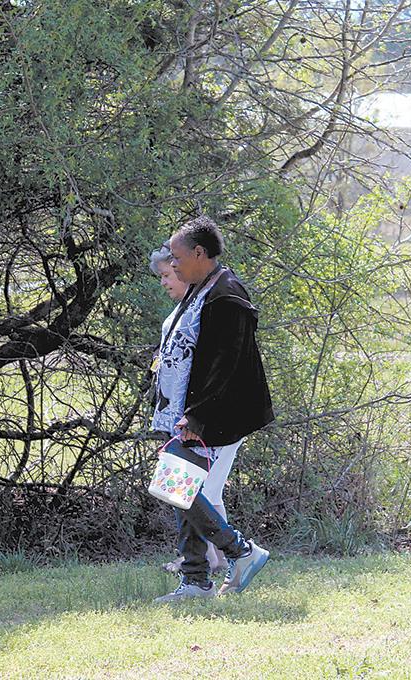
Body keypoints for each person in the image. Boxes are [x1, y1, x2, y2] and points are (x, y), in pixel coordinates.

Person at [151, 215, 273, 602]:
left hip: (214, 415)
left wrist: (197, 414)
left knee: (174, 485)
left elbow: (227, 364)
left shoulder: (227, 295)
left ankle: (240, 551)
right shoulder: (202, 288)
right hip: (187, 412)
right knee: (180, 488)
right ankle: (196, 582)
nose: (173, 264)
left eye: (177, 257)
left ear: (199, 253)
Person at [149, 245, 227, 576]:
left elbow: (215, 366)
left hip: (204, 417)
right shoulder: (182, 310)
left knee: (188, 488)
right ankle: (211, 560)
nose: (165, 281)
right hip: (180, 416)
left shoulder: (207, 306)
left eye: (169, 274)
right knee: (190, 489)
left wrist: (195, 414)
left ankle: (234, 552)